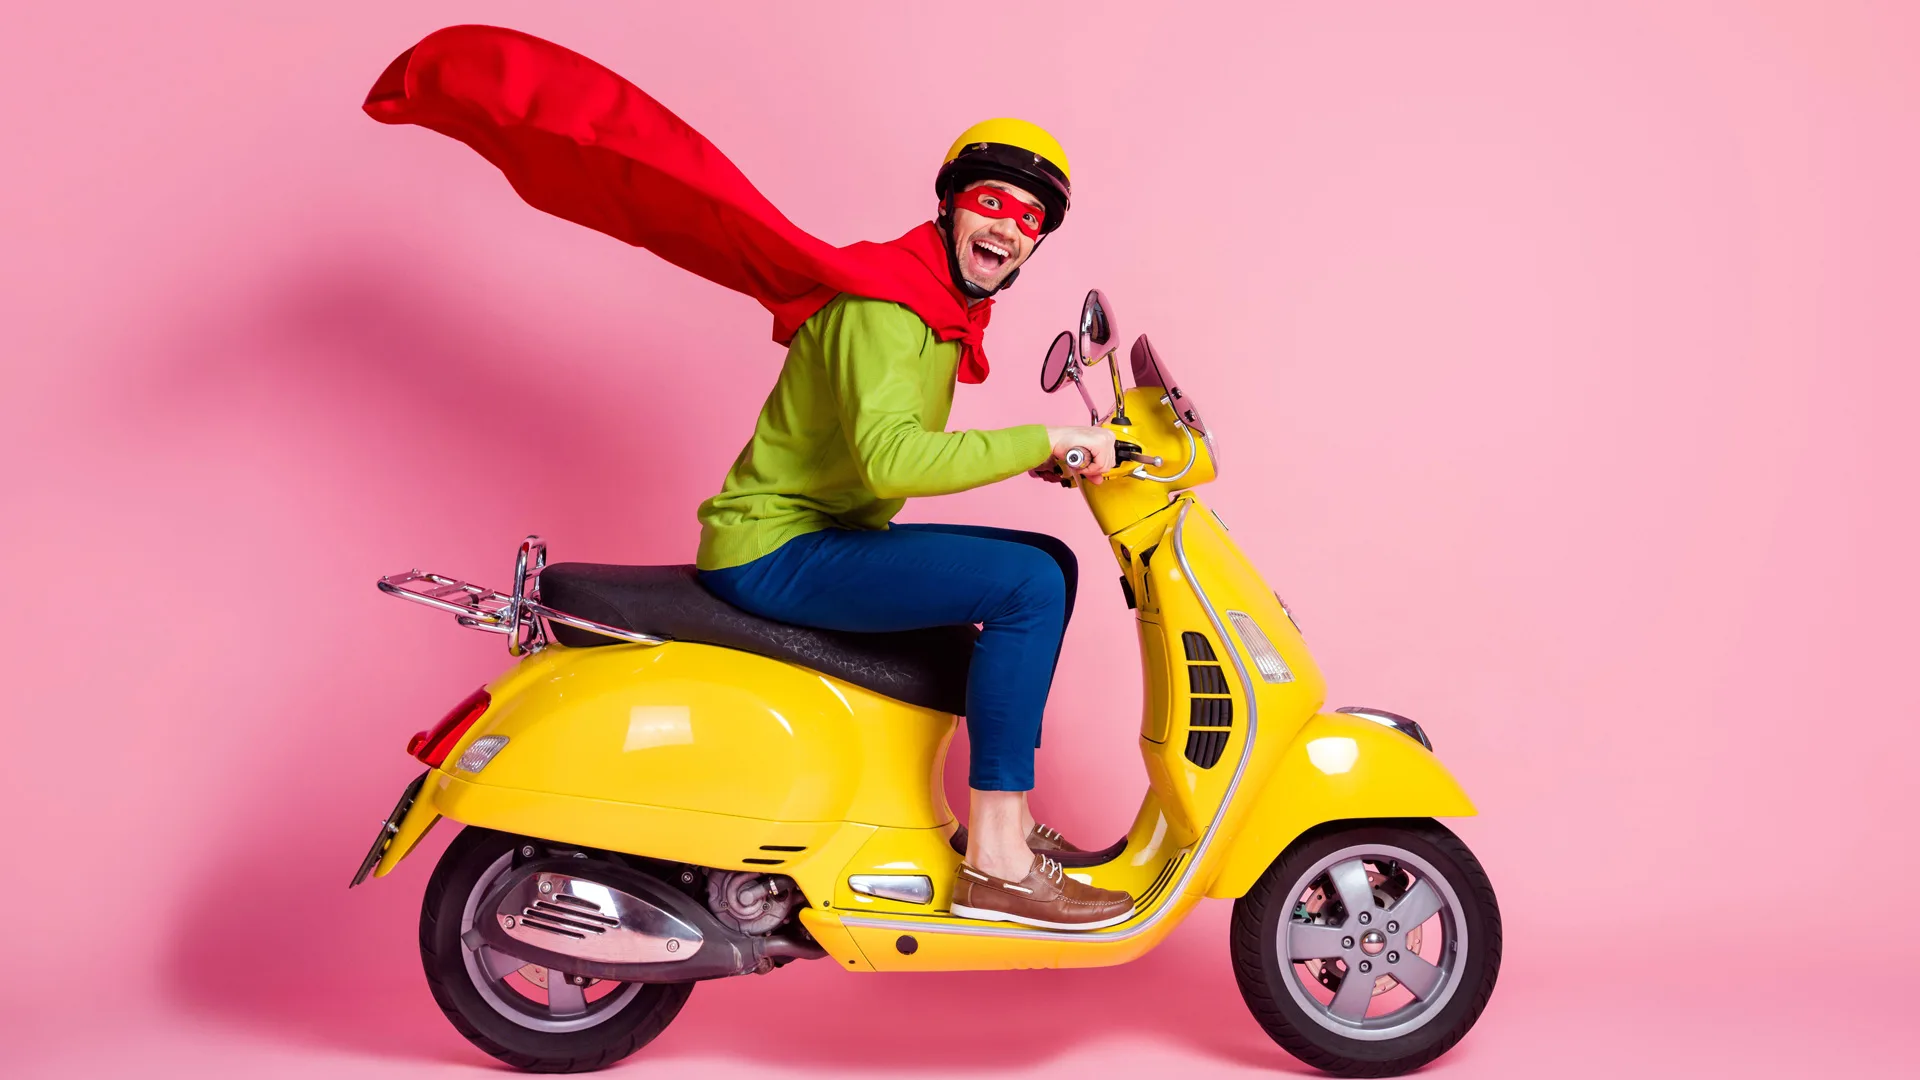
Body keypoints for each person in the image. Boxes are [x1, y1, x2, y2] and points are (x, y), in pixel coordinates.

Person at [694, 120, 1134, 930]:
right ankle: (997, 860)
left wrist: (1039, 456)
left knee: (1050, 562)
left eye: (1029, 218)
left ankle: (1007, 820)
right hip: (774, 546)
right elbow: (891, 463)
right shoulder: (886, 302)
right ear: (950, 204)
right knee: (1028, 585)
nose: (1007, 227)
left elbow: (887, 450)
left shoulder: (930, 299)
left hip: (827, 534)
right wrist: (1044, 438)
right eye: (991, 203)